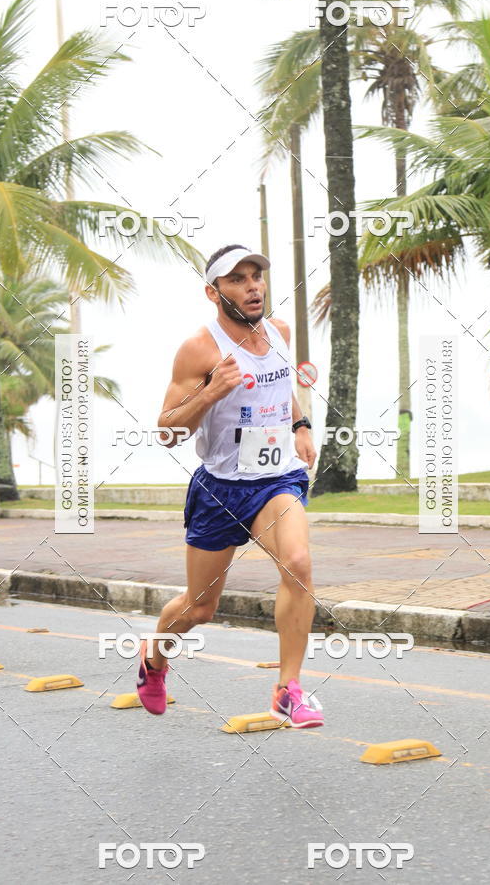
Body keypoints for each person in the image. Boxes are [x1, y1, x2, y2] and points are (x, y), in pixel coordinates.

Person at [137, 244, 324, 728]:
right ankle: (154, 661)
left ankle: (288, 688)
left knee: (298, 563)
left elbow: (283, 391)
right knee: (200, 609)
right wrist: (213, 390)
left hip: (276, 478)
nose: (253, 286)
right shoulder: (200, 348)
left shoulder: (280, 332)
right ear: (213, 292)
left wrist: (301, 426)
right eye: (237, 279)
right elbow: (168, 431)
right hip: (220, 488)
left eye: (256, 275)